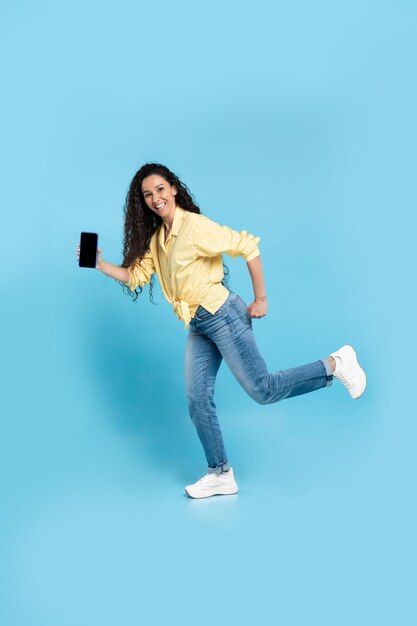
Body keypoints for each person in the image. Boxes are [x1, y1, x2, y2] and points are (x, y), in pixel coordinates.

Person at [76, 163, 367, 499]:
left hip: (222, 314)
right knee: (197, 399)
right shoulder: (159, 241)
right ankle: (220, 473)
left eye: (159, 189)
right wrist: (99, 264)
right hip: (199, 323)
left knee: (263, 389)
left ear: (173, 189)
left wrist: (261, 298)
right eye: (147, 194)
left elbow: (248, 246)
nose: (155, 198)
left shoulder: (194, 227)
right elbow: (136, 275)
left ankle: (335, 363)